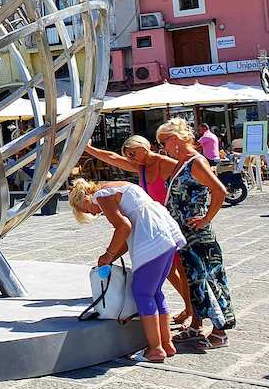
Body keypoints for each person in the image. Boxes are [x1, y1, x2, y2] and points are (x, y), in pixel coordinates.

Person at [69, 178, 185, 363]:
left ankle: (155, 349)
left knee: (142, 293)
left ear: (84, 200)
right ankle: (166, 343)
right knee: (155, 292)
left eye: (88, 211)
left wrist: (108, 255)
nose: (95, 213)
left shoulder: (101, 196)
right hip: (165, 232)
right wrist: (110, 257)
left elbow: (123, 227)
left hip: (150, 238)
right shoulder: (117, 186)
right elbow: (127, 231)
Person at [83, 137, 194, 326]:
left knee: (183, 270)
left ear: (144, 147)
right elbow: (111, 157)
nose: (131, 158)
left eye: (133, 153)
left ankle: (193, 312)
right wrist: (87, 148)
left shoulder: (165, 163)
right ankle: (188, 307)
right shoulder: (140, 167)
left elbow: (190, 179)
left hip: (171, 219)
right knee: (169, 272)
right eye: (128, 155)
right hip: (152, 225)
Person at [156, 117, 235, 349]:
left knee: (209, 280)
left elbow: (219, 191)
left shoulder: (195, 162)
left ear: (174, 140)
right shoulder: (181, 163)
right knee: (194, 281)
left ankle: (220, 332)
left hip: (198, 235)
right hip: (185, 235)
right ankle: (196, 326)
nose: (163, 148)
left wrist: (205, 218)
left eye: (164, 142)